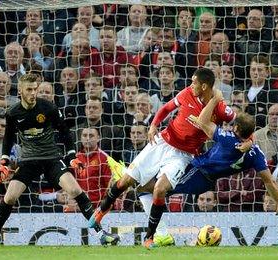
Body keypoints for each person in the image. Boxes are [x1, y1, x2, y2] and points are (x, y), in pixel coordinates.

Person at [93, 90, 278, 248]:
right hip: (198, 170)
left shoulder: (227, 139)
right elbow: (269, 181)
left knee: (148, 189)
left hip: (197, 173)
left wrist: (215, 100)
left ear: (237, 129)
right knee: (146, 188)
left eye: (233, 126)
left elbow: (203, 122)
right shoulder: (255, 153)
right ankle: (157, 230)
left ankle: (157, 234)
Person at [88, 68, 235, 247]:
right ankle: (99, 214)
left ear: (204, 86)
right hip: (162, 142)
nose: (191, 85)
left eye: (194, 82)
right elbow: (166, 108)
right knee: (126, 180)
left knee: (160, 189)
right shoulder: (187, 93)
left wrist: (248, 139)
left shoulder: (220, 108)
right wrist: (153, 126)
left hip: (183, 155)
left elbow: (238, 120)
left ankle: (150, 238)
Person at [0, 74, 120, 246]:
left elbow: (65, 133)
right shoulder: (13, 113)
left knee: (75, 191)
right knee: (10, 197)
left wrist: (72, 156)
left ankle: (102, 234)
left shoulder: (48, 108)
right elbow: (8, 139)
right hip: (28, 161)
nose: (33, 93)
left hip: (51, 158)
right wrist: (4, 163)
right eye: (29, 89)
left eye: (35, 89)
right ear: (20, 90)